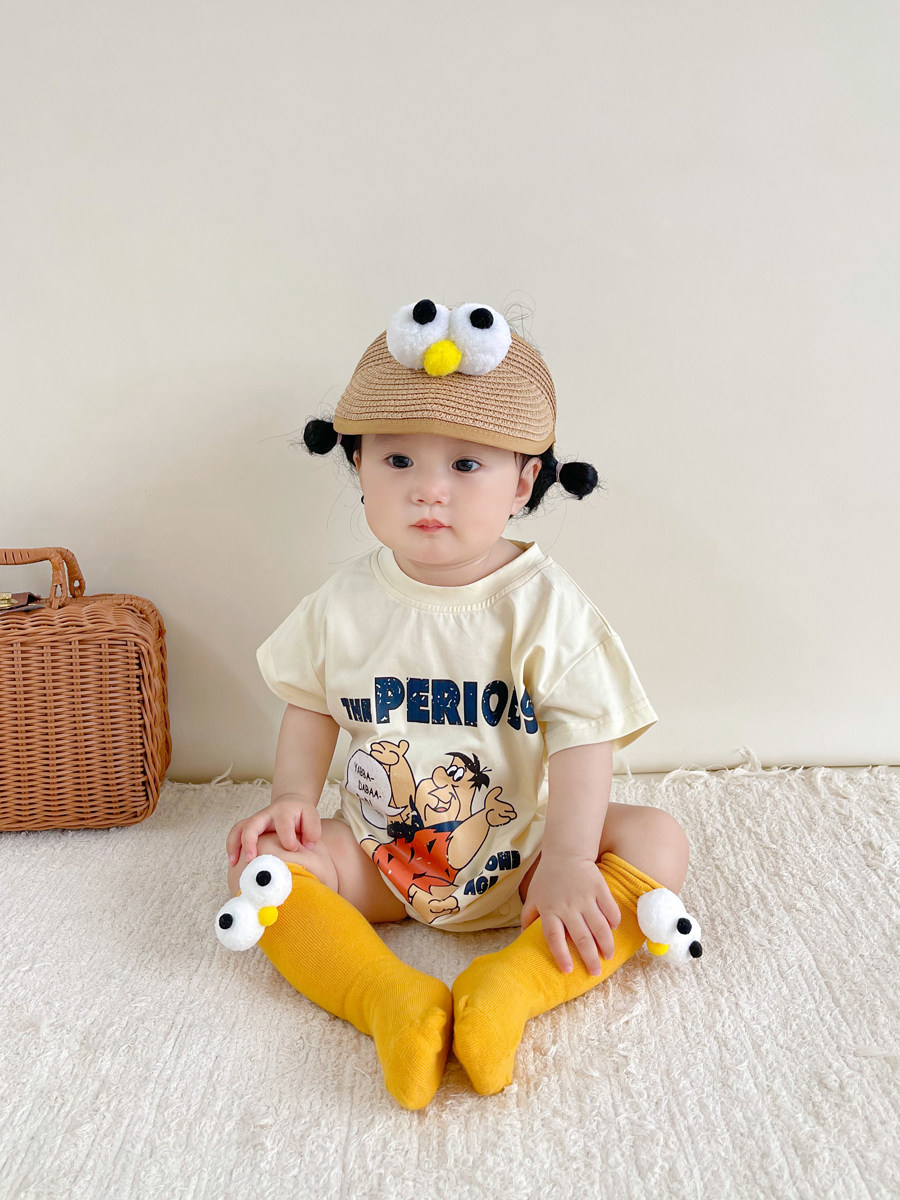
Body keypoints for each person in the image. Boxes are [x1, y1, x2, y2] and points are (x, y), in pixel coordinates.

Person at [226, 298, 690, 1110]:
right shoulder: (344, 604)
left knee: (658, 840)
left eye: (467, 465)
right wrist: (294, 798)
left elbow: (584, 740)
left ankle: (511, 990)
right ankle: (384, 997)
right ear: (358, 467)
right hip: (381, 854)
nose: (428, 491)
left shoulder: (546, 607)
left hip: (529, 860)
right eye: (398, 460)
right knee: (264, 868)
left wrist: (570, 858)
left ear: (525, 480)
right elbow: (311, 705)